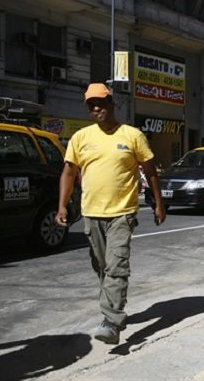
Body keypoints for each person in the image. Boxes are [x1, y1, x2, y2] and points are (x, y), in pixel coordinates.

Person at [55, 83, 166, 344]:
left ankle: (111, 321)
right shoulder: (81, 138)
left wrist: (158, 204)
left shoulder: (132, 135)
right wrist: (62, 205)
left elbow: (150, 171)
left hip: (122, 213)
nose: (96, 108)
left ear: (111, 103)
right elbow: (69, 173)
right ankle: (114, 308)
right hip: (91, 212)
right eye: (91, 105)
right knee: (102, 267)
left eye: (101, 103)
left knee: (116, 266)